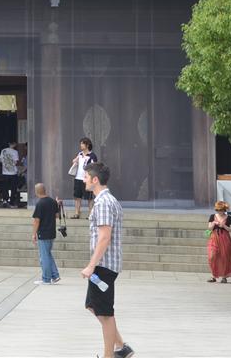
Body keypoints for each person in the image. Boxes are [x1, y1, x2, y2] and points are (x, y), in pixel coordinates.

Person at [80, 162, 133, 358]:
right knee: (94, 306)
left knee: (104, 313)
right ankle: (121, 347)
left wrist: (91, 265)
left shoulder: (103, 203)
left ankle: (109, 355)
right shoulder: (110, 200)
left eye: (86, 177)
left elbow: (104, 236)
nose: (84, 180)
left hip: (103, 265)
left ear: (95, 180)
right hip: (106, 264)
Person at [32, 183, 61, 285]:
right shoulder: (53, 202)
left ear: (36, 192)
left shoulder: (40, 204)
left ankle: (46, 278)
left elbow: (36, 220)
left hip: (43, 233)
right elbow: (57, 215)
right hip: (51, 232)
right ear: (45, 190)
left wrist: (33, 233)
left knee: (44, 256)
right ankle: (55, 275)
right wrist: (57, 204)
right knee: (47, 254)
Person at [206, 200, 231, 283]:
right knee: (212, 256)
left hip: (225, 238)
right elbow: (209, 228)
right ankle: (213, 275)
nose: (219, 212)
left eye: (221, 210)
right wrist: (213, 224)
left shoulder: (229, 218)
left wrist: (224, 226)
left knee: (224, 257)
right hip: (214, 238)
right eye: (218, 210)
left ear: (224, 210)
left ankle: (224, 276)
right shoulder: (212, 216)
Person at [70, 137, 98, 219]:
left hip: (87, 180)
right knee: (77, 196)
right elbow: (74, 161)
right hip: (78, 178)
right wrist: (76, 159)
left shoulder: (92, 156)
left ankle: (91, 214)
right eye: (81, 143)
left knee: (89, 197)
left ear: (87, 145)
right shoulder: (80, 154)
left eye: (82, 143)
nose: (81, 145)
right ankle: (76, 213)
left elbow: (94, 167)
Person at [0, 140, 22, 208]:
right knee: (13, 188)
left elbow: (1, 160)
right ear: (14, 144)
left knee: (5, 187)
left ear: (9, 143)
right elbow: (16, 162)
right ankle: (12, 202)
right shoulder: (15, 152)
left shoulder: (3, 150)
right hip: (13, 172)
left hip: (5, 172)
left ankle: (5, 200)